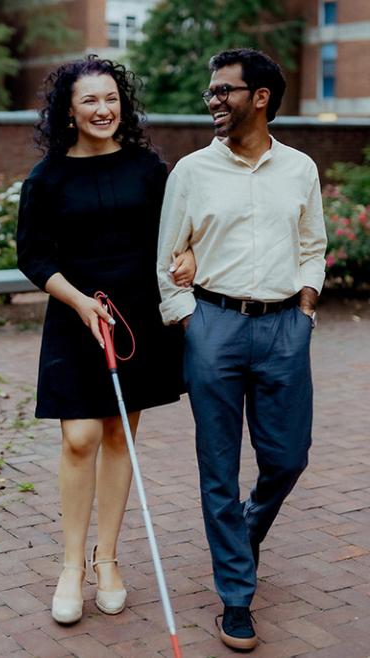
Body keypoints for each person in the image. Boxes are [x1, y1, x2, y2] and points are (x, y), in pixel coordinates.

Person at [157, 48, 327, 651]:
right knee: (218, 468)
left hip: (285, 327)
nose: (213, 101)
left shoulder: (300, 169)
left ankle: (246, 528)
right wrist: (190, 322)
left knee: (288, 457)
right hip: (215, 327)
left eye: (224, 90)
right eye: (210, 92)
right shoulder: (191, 172)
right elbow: (166, 257)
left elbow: (313, 245)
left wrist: (306, 309)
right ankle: (236, 596)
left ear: (260, 97)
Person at [17, 55, 195, 625]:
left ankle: (108, 560)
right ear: (68, 109)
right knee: (79, 437)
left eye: (112, 97)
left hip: (137, 317)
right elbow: (33, 257)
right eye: (90, 100)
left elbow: (178, 232)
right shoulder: (47, 178)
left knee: (119, 433)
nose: (103, 109)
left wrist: (187, 253)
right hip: (76, 314)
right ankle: (70, 565)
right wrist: (77, 301)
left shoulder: (148, 169)